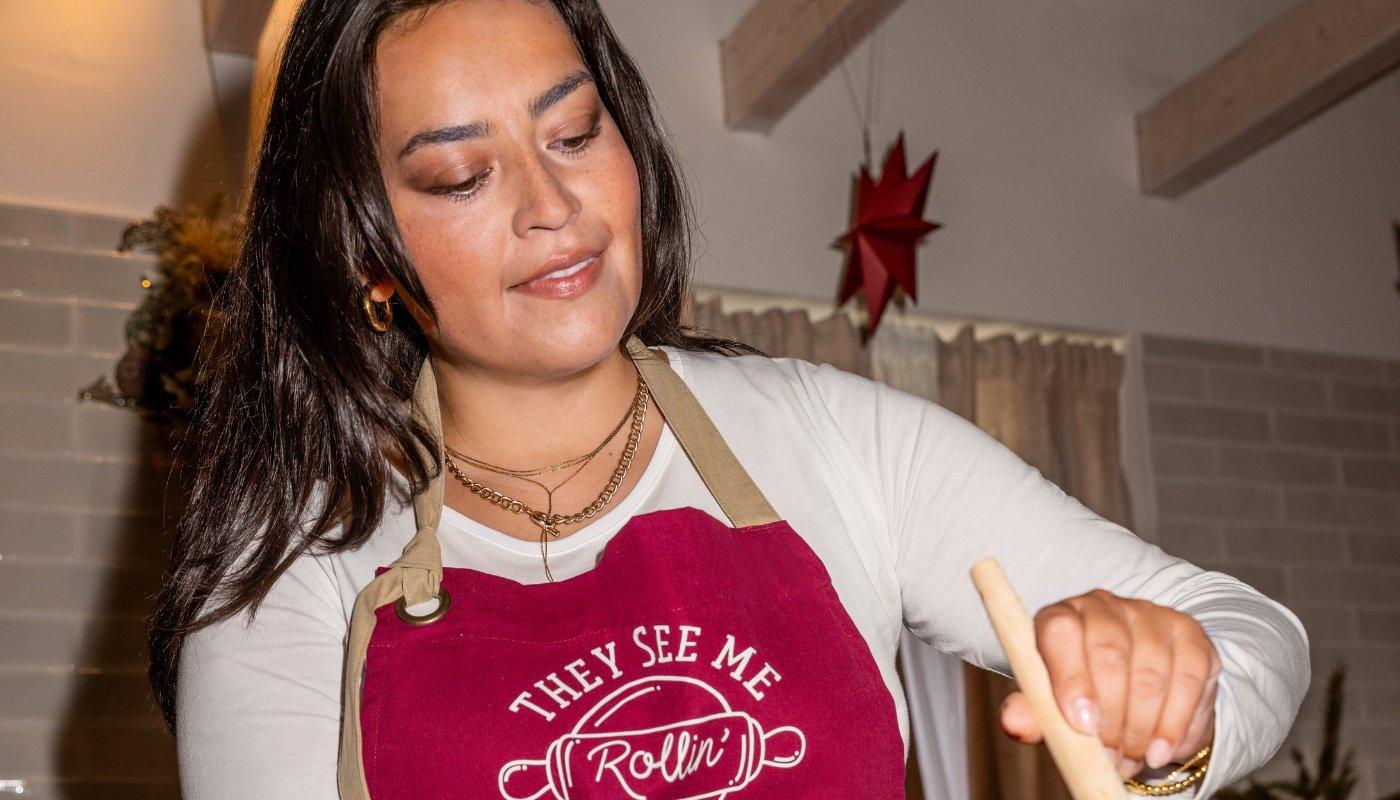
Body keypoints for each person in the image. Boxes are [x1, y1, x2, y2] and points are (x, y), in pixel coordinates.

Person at [150, 0, 1310, 797]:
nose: (554, 204)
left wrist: (1172, 696)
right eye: (461, 175)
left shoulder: (828, 435)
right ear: (362, 253)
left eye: (572, 131)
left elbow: (1254, 635)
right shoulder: (296, 567)